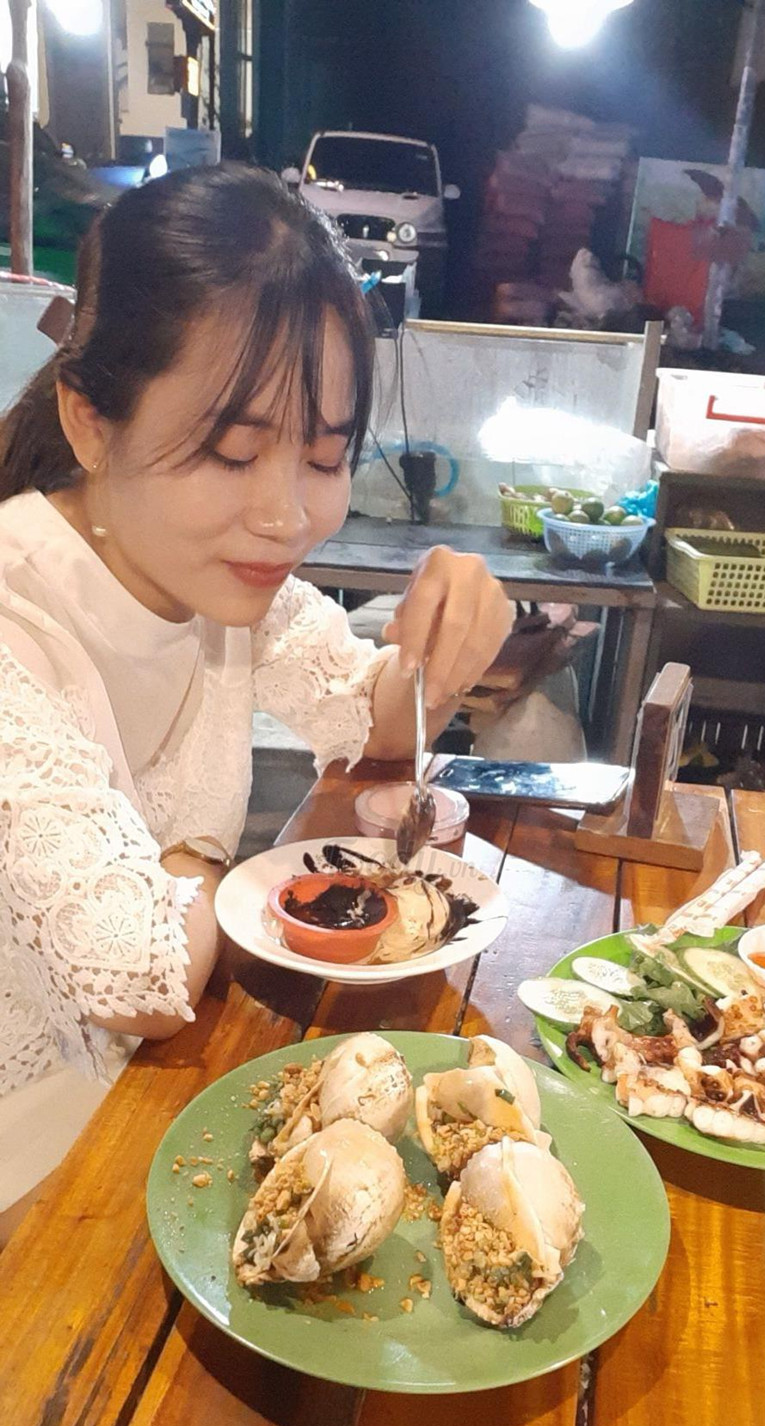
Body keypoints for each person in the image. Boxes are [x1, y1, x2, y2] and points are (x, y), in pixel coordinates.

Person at [0, 164, 512, 1242]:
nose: (286, 516)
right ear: (90, 424)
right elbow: (137, 981)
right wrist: (196, 852)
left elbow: (365, 717)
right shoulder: (19, 616)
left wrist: (438, 644)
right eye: (233, 453)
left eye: (323, 457)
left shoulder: (222, 582)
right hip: (36, 1175)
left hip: (165, 1107)